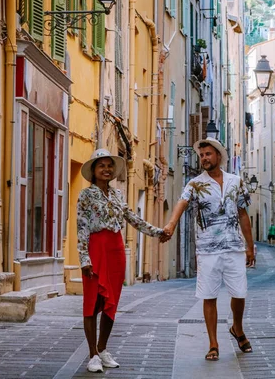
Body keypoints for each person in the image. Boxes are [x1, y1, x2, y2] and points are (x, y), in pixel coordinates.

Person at [162, 138, 255, 362]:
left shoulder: (236, 181)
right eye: (201, 155)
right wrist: (171, 225)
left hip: (234, 247)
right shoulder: (194, 184)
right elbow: (182, 204)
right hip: (207, 249)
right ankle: (213, 343)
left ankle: (237, 328)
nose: (204, 158)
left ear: (218, 156)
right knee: (209, 295)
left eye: (208, 154)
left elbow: (243, 214)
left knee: (239, 293)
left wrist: (250, 247)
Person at [77, 149, 164, 373]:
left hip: (116, 250)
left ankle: (103, 349)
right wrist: (84, 258)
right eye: (101, 166)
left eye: (109, 166)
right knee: (92, 303)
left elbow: (133, 218)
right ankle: (92, 354)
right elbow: (82, 227)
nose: (106, 169)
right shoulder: (86, 196)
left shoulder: (117, 195)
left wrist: (158, 232)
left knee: (111, 303)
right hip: (96, 249)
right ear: (94, 171)